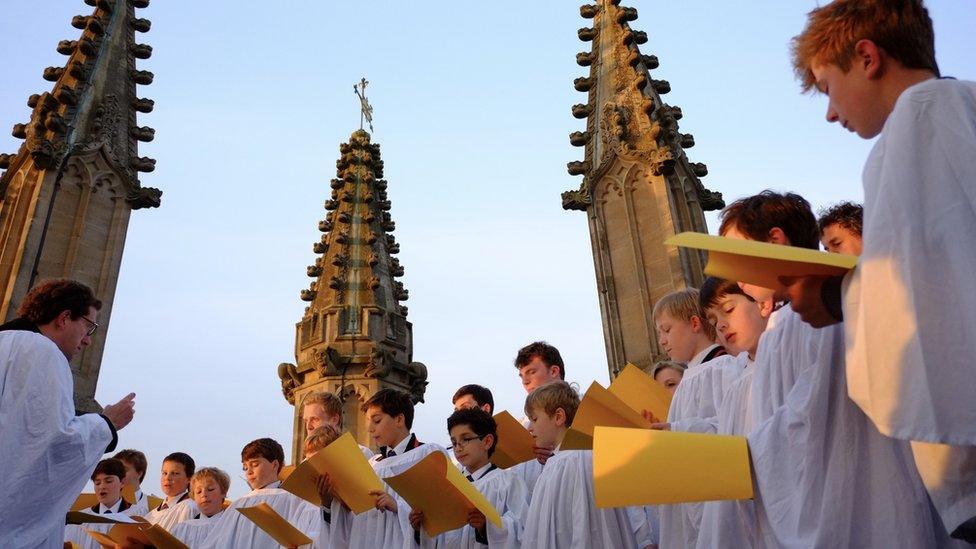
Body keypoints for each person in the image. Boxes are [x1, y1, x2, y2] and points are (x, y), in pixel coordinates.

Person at [785, 0, 976, 540]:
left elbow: (944, 276)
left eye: (827, 88)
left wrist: (836, 297)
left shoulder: (925, 116)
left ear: (867, 57)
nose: (829, 112)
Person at [719, 190, 945, 547]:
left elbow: (815, 419)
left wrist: (740, 455)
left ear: (775, 240)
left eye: (736, 254)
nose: (732, 272)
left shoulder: (821, 315)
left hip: (860, 504)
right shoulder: (783, 325)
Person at [0, 279, 135, 549]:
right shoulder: (42, 352)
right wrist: (106, 424)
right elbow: (48, 445)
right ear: (64, 318)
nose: (87, 340)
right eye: (88, 326)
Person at [694, 278, 773, 548]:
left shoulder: (784, 357)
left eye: (728, 310)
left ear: (762, 302)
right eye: (714, 321)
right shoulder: (736, 381)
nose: (721, 325)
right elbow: (725, 435)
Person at [522, 381, 640, 548]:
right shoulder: (557, 462)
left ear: (558, 417)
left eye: (534, 419)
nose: (530, 428)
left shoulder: (575, 460)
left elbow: (585, 527)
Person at [342, 389, 447, 549]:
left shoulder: (428, 454)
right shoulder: (372, 463)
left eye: (376, 421)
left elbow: (441, 508)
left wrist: (398, 506)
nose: (370, 429)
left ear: (399, 419)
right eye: (368, 422)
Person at [410, 408, 528, 548]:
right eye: (454, 443)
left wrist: (486, 527)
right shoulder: (448, 486)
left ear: (487, 441)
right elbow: (441, 538)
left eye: (465, 439)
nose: (458, 448)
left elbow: (522, 528)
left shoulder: (508, 481)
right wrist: (422, 527)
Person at [199, 438, 319, 548]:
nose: (249, 472)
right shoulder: (238, 505)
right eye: (245, 467)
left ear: (275, 465)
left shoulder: (294, 500)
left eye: (255, 464)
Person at [63, 458, 137, 549]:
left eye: (108, 481)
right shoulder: (81, 519)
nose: (102, 486)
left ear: (122, 482)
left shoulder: (137, 515)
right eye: (97, 483)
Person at [169, 467, 231, 548]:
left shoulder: (231, 526)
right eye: (198, 492)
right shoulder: (183, 529)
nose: (204, 494)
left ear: (223, 492)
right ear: (193, 497)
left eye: (210, 489)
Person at [145, 452, 199, 530]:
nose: (167, 478)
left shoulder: (189, 507)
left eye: (175, 473)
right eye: (164, 473)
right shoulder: (150, 514)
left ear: (189, 478)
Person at [113, 449, 150, 516]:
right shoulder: (100, 504)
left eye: (123, 470)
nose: (118, 474)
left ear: (139, 474)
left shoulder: (154, 506)